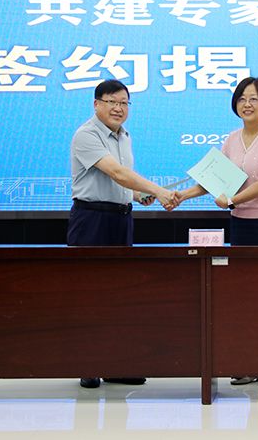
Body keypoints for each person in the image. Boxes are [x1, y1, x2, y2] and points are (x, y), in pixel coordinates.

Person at [176, 76, 258, 389]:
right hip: (241, 224)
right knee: (244, 295)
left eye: (253, 98)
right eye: (241, 98)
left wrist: (231, 200)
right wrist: (182, 196)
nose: (247, 104)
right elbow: (215, 181)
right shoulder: (231, 139)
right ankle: (247, 363)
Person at [68, 79, 178, 389]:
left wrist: (139, 196)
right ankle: (88, 364)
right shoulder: (86, 134)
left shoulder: (124, 136)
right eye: (112, 102)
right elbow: (116, 173)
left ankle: (116, 365)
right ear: (96, 104)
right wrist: (158, 190)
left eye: (124, 103)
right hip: (92, 220)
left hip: (120, 219)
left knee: (120, 295)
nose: (118, 108)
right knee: (89, 294)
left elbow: (119, 183)